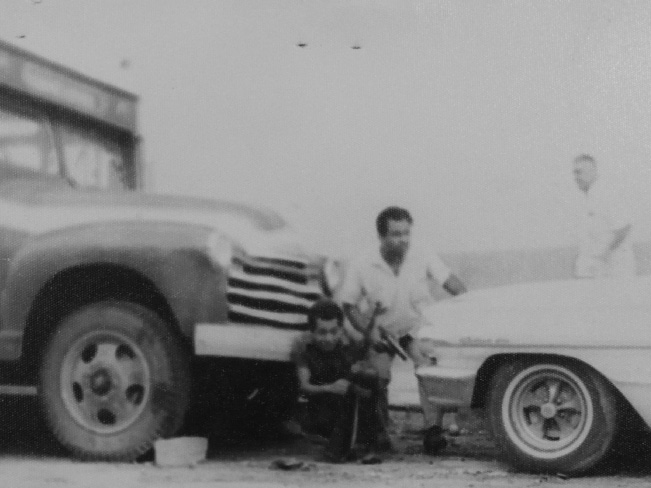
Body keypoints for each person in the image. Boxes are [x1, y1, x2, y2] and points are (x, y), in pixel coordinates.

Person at [339, 206, 467, 455]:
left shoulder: (422, 253)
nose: (403, 240)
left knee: (429, 369)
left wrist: (468, 302)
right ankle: (378, 432)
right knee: (377, 376)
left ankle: (433, 431)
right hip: (382, 331)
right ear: (381, 237)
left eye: (407, 233)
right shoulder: (363, 263)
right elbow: (349, 305)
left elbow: (450, 281)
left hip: (417, 326)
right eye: (396, 234)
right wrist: (368, 331)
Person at [292, 298, 387, 463]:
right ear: (312, 331)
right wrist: (330, 388)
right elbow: (305, 386)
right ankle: (343, 448)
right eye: (322, 332)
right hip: (319, 413)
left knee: (368, 378)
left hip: (344, 407)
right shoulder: (304, 347)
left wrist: (358, 371)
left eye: (333, 331)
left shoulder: (346, 344)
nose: (329, 338)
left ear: (341, 330)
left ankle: (363, 444)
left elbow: (361, 369)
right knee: (351, 394)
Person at [572, 154, 636, 278]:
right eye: (574, 173)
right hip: (597, 272)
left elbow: (623, 228)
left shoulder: (607, 193)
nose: (575, 177)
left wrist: (600, 254)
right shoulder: (588, 198)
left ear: (592, 172)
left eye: (578, 172)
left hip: (616, 272)